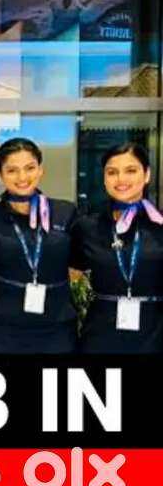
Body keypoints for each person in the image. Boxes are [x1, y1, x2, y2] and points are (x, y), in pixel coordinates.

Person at [0, 138, 78, 354]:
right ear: (0, 175)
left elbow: (77, 267)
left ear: (40, 170)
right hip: (4, 331)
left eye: (29, 168)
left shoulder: (66, 213)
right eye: (12, 170)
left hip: (58, 329)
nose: (22, 177)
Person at [70, 143, 163, 353]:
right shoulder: (88, 227)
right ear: (104, 178)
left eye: (131, 171)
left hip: (154, 336)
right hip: (100, 336)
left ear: (147, 174)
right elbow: (72, 273)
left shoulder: (160, 225)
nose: (121, 179)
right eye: (112, 172)